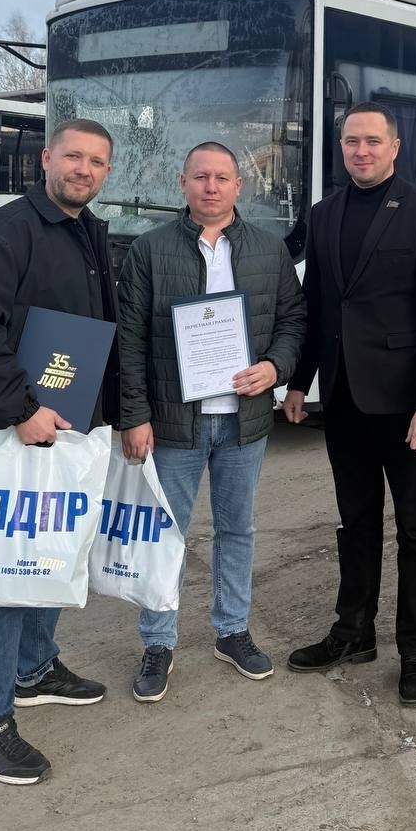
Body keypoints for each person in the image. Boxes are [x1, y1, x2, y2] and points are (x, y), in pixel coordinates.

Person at [0, 119, 118, 785]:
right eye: (73, 156)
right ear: (46, 158)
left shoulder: (88, 232)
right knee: (8, 570)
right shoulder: (1, 235)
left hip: (69, 426)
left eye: (96, 161)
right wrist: (20, 409)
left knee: (54, 549)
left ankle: (35, 669)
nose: (83, 169)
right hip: (16, 428)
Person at [282, 102, 416, 706]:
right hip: (344, 399)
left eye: (372, 141)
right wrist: (299, 382)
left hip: (405, 406)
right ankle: (354, 631)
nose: (361, 151)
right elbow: (318, 306)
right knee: (355, 523)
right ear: (342, 147)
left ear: (395, 147)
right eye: (351, 141)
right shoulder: (324, 214)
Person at [116, 141, 305, 703]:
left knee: (237, 530)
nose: (211, 186)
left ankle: (232, 630)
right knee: (164, 534)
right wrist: (135, 416)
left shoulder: (269, 250)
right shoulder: (149, 250)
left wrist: (275, 367)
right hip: (174, 422)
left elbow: (293, 320)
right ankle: (158, 641)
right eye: (201, 176)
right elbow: (130, 341)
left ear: (238, 186)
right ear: (183, 183)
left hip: (244, 421)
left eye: (223, 177)